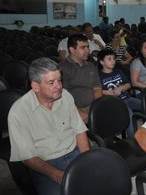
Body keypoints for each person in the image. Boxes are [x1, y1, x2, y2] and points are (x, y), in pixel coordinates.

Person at [8, 57, 90, 195]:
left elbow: (79, 130)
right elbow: (28, 157)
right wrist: (57, 175)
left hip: (74, 153)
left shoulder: (65, 96)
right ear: (36, 86)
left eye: (59, 80)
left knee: (101, 181)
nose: (59, 86)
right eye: (51, 82)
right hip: (46, 164)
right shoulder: (19, 112)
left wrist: (88, 159)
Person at [59, 34, 103, 123]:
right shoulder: (62, 68)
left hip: (93, 106)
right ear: (72, 50)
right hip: (73, 108)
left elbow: (97, 88)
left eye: (88, 47)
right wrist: (80, 112)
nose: (88, 50)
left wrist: (97, 107)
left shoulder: (91, 66)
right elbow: (63, 97)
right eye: (83, 48)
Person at [97, 49, 141, 137]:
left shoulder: (118, 71)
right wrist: (105, 92)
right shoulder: (98, 76)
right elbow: (95, 90)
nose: (113, 61)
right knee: (130, 116)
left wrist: (121, 88)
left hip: (127, 99)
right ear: (102, 62)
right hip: (115, 103)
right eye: (109, 59)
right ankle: (134, 139)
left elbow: (129, 84)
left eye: (114, 59)